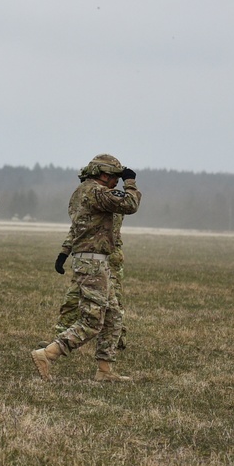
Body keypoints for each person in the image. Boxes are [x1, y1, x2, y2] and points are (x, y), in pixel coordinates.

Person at [31, 154, 141, 382]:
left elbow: (79, 227)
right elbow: (130, 204)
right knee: (93, 319)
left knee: (113, 315)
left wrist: (64, 251)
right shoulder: (95, 191)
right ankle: (47, 354)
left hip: (98, 260)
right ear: (103, 174)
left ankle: (105, 370)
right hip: (92, 262)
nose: (116, 183)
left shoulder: (86, 191)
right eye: (114, 177)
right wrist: (130, 183)